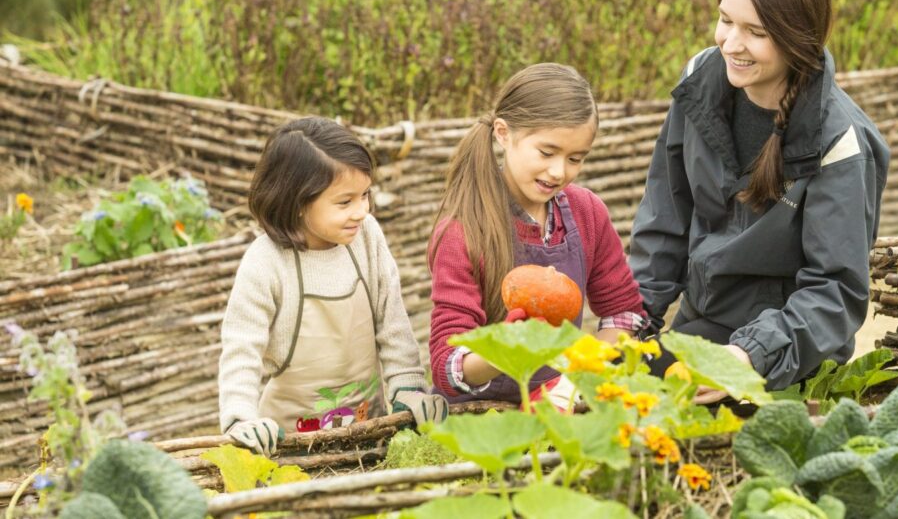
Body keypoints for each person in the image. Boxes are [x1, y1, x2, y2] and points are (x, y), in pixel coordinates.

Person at [630, 0, 890, 398]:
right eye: (726, 20)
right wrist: (631, 324)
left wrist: (747, 358)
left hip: (789, 358)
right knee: (598, 398)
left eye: (755, 31)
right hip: (702, 329)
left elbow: (836, 293)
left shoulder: (840, 141)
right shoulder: (701, 86)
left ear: (797, 37)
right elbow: (664, 221)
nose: (731, 43)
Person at [218, 117, 447, 456]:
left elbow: (392, 320)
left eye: (365, 195)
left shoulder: (366, 237)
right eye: (345, 202)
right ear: (296, 202)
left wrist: (407, 387)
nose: (362, 211)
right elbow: (242, 349)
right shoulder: (266, 262)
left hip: (371, 430)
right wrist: (240, 419)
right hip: (287, 447)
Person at [428, 63, 648, 404]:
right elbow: (447, 364)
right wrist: (506, 350)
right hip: (479, 416)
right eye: (547, 152)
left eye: (576, 158)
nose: (559, 171)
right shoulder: (462, 232)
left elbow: (623, 312)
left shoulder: (587, 213)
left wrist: (580, 377)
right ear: (503, 133)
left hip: (559, 404)